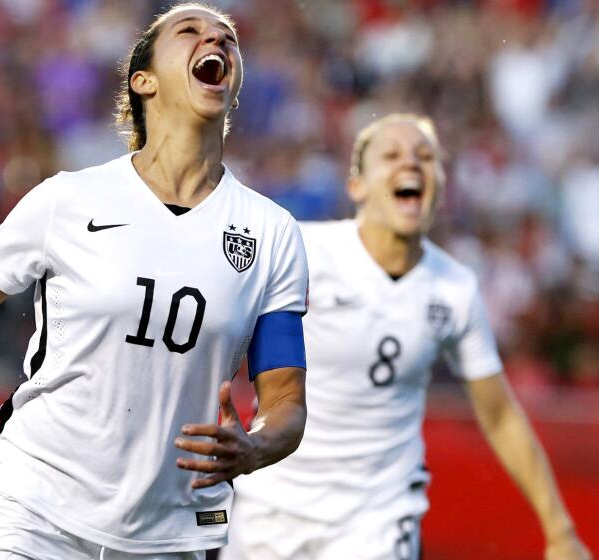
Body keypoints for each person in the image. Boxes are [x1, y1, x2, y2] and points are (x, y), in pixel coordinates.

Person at [0, 3, 311, 559]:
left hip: (169, 532)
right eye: (190, 31)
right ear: (143, 81)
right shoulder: (68, 201)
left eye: (227, 38)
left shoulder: (272, 232)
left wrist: (256, 444)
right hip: (32, 511)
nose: (215, 40)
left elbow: (285, 397)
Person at [221, 114, 592, 560]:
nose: (411, 165)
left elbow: (499, 415)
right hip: (271, 507)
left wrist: (559, 528)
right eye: (392, 155)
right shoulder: (300, 250)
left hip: (378, 518)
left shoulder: (454, 288)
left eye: (425, 157)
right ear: (357, 186)